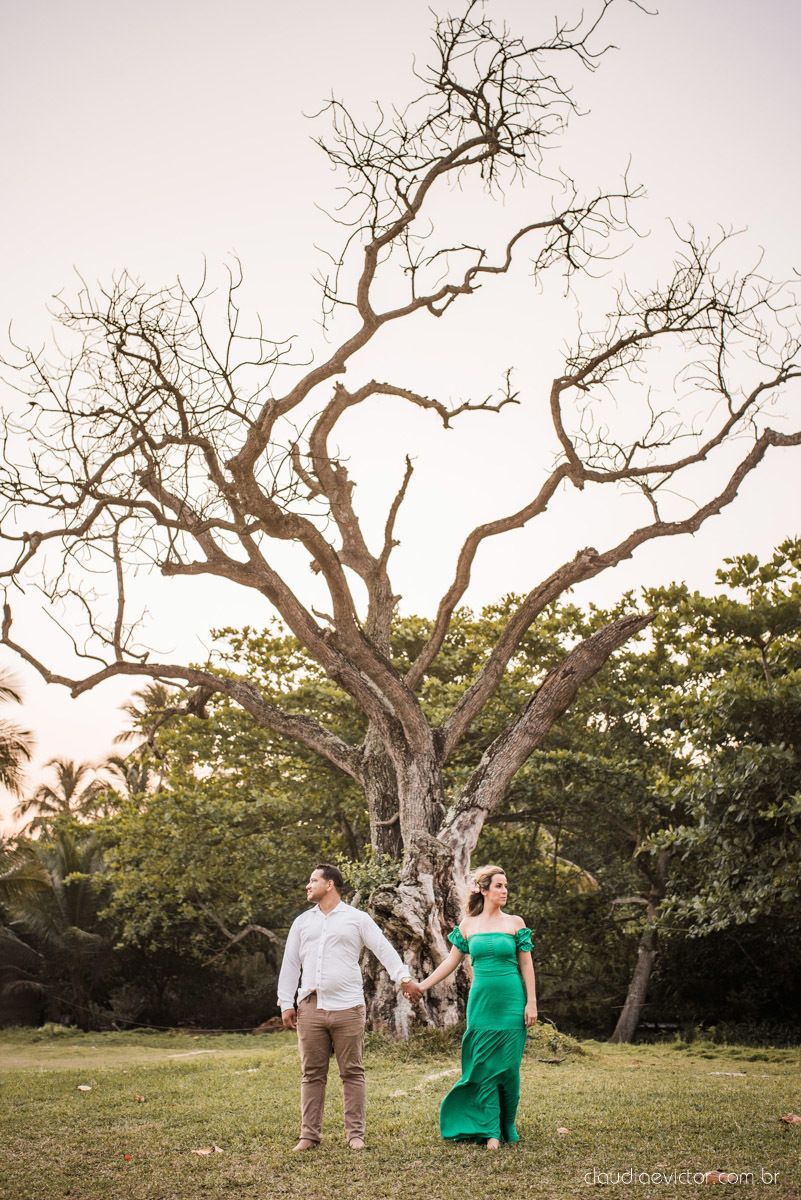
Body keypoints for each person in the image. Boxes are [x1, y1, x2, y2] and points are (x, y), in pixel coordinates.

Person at [277, 863, 422, 1151]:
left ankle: (355, 1135)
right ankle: (309, 1136)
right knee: (312, 1074)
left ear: (330, 884)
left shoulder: (357, 919)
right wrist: (285, 1002)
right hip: (311, 1006)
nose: (308, 885)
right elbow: (291, 963)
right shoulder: (302, 922)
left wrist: (404, 978)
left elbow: (383, 949)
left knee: (352, 1072)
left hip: (348, 1007)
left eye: (313, 880)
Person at [417, 864, 537, 1148]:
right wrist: (422, 986)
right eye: (499, 886)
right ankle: (491, 1130)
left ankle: (508, 1123)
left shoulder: (515, 923)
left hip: (512, 1002)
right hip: (481, 1004)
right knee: (483, 1065)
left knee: (508, 1068)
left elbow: (526, 965)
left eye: (506, 886)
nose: (504, 891)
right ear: (483, 890)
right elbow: (449, 963)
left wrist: (531, 1002)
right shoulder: (467, 925)